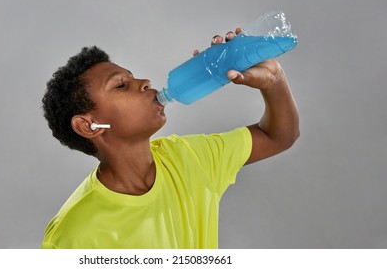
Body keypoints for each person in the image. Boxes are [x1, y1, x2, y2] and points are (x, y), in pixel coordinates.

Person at [40, 28, 300, 249]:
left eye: (133, 77)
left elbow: (277, 136)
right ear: (89, 126)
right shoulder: (75, 235)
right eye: (121, 85)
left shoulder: (189, 158)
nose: (144, 82)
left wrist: (273, 79)